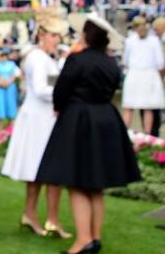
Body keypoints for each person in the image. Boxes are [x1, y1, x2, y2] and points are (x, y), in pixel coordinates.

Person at [37, 13, 141, 254]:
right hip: (106, 118)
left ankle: (83, 240)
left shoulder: (77, 60)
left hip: (80, 120)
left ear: (87, 34)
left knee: (77, 182)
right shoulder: (110, 62)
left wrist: (59, 107)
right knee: (95, 185)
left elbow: (61, 90)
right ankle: (94, 237)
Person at [1, 7, 71, 238]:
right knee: (43, 170)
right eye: (53, 35)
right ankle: (45, 217)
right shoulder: (37, 58)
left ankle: (33, 215)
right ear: (41, 34)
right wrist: (63, 92)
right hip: (39, 118)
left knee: (38, 171)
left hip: (42, 117)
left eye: (57, 35)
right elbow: (42, 90)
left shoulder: (42, 58)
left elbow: (48, 85)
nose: (56, 39)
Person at [121, 16, 165, 134]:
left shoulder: (129, 41)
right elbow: (160, 63)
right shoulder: (154, 41)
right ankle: (147, 140)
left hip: (133, 75)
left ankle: (124, 137)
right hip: (149, 76)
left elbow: (125, 61)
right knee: (148, 108)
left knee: (128, 108)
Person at [0, 47, 20, 123]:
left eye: (5, 56)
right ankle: (2, 118)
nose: (3, 57)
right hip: (0, 85)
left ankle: (12, 118)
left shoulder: (12, 64)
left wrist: (8, 82)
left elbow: (15, 74)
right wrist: (0, 82)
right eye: (2, 56)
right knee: (1, 102)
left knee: (10, 101)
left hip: (10, 84)